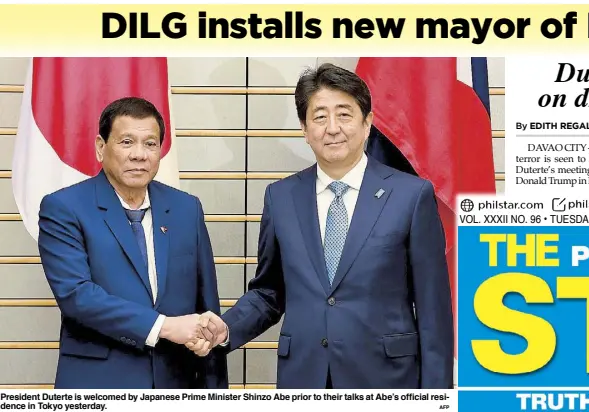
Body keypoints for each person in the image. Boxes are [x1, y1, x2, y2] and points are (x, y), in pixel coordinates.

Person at [192, 63, 454, 389]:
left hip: (387, 380)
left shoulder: (412, 196)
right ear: (304, 128)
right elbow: (269, 292)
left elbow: (434, 312)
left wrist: (436, 398)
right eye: (319, 117)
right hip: (305, 378)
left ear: (367, 122)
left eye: (344, 114)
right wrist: (226, 328)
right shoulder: (281, 197)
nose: (332, 128)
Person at [37, 97, 228, 389]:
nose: (139, 154)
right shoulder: (64, 207)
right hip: (99, 384)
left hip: (177, 381)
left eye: (150, 144)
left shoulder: (186, 208)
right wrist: (165, 326)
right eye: (127, 142)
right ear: (101, 147)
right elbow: (77, 296)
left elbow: (206, 303)